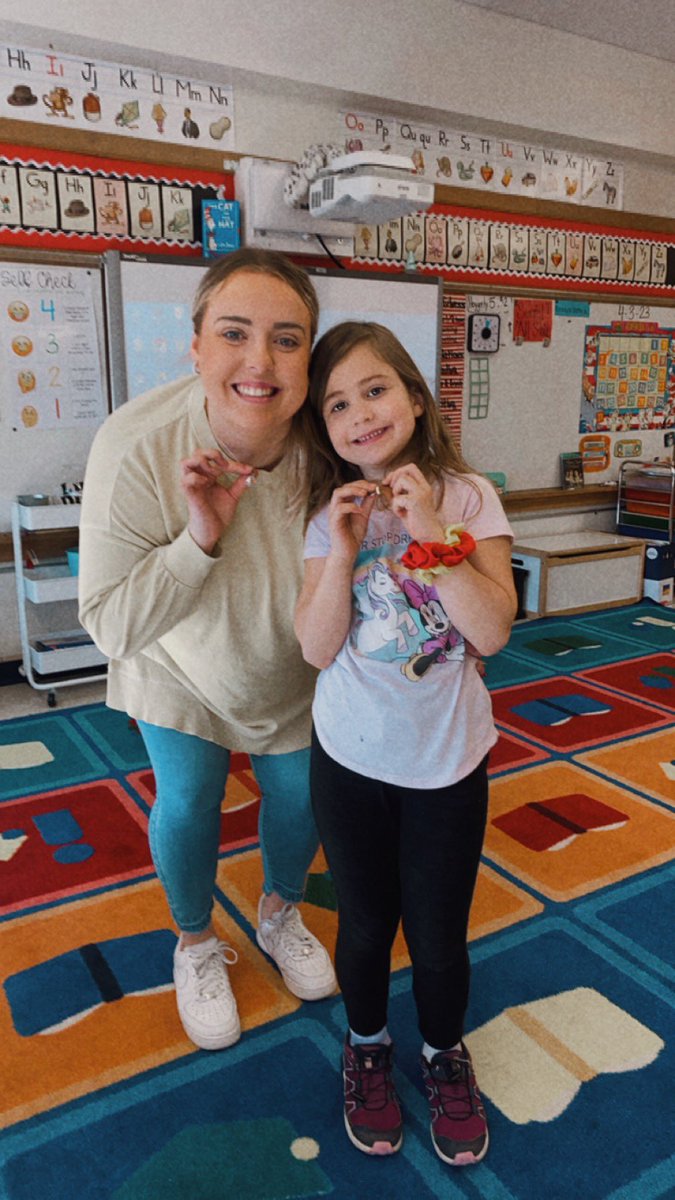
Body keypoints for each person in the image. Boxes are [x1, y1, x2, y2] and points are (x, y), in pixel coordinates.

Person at [79, 248, 336, 1052]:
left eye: (287, 339)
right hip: (176, 663)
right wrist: (200, 537)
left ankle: (278, 911)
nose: (260, 361)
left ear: (308, 356)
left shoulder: (329, 439)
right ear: (195, 346)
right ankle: (194, 943)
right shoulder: (134, 443)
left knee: (300, 800)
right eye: (234, 333)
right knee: (188, 801)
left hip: (288, 665)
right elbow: (113, 624)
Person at [294, 321, 516, 1165]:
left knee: (437, 934)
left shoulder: (465, 499)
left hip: (446, 761)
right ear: (324, 429)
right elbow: (316, 649)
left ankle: (441, 1054)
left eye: (374, 389)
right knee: (362, 925)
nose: (358, 414)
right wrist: (344, 546)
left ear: (415, 399)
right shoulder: (330, 516)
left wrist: (426, 527)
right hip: (349, 756)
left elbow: (491, 631)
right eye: (336, 404)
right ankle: (366, 1045)